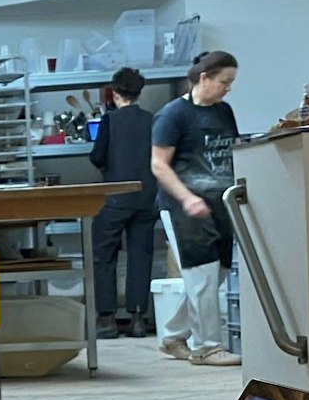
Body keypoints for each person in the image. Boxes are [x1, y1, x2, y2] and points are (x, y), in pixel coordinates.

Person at [151, 50, 242, 367]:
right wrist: (187, 198)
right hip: (182, 208)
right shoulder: (172, 115)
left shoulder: (223, 112)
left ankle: (174, 335)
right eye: (223, 82)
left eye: (231, 83)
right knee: (201, 276)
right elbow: (159, 165)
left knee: (217, 275)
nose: (227, 88)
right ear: (204, 78)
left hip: (219, 204)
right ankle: (207, 347)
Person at [89, 67, 159, 338]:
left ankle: (106, 319)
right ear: (139, 92)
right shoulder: (154, 120)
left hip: (115, 198)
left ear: (114, 92)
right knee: (141, 256)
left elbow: (97, 157)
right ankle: (138, 318)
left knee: (104, 256)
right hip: (146, 197)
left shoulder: (109, 121)